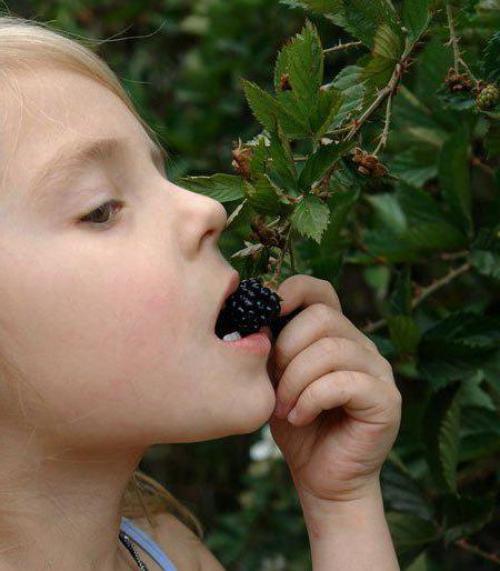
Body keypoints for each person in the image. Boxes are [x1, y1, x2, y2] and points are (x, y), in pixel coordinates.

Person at [0, 14, 402, 571]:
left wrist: (342, 506)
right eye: (100, 208)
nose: (207, 209)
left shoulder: (172, 553)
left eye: (160, 175)